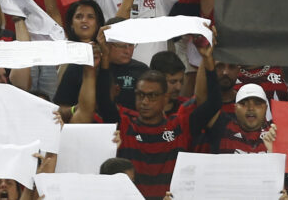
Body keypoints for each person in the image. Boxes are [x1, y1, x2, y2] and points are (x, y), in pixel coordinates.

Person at [92, 27, 221, 200]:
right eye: (140, 95)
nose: (144, 102)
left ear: (164, 97)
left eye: (152, 96)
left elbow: (213, 103)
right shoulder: (125, 125)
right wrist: (105, 58)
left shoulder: (180, 126)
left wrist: (208, 60)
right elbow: (104, 101)